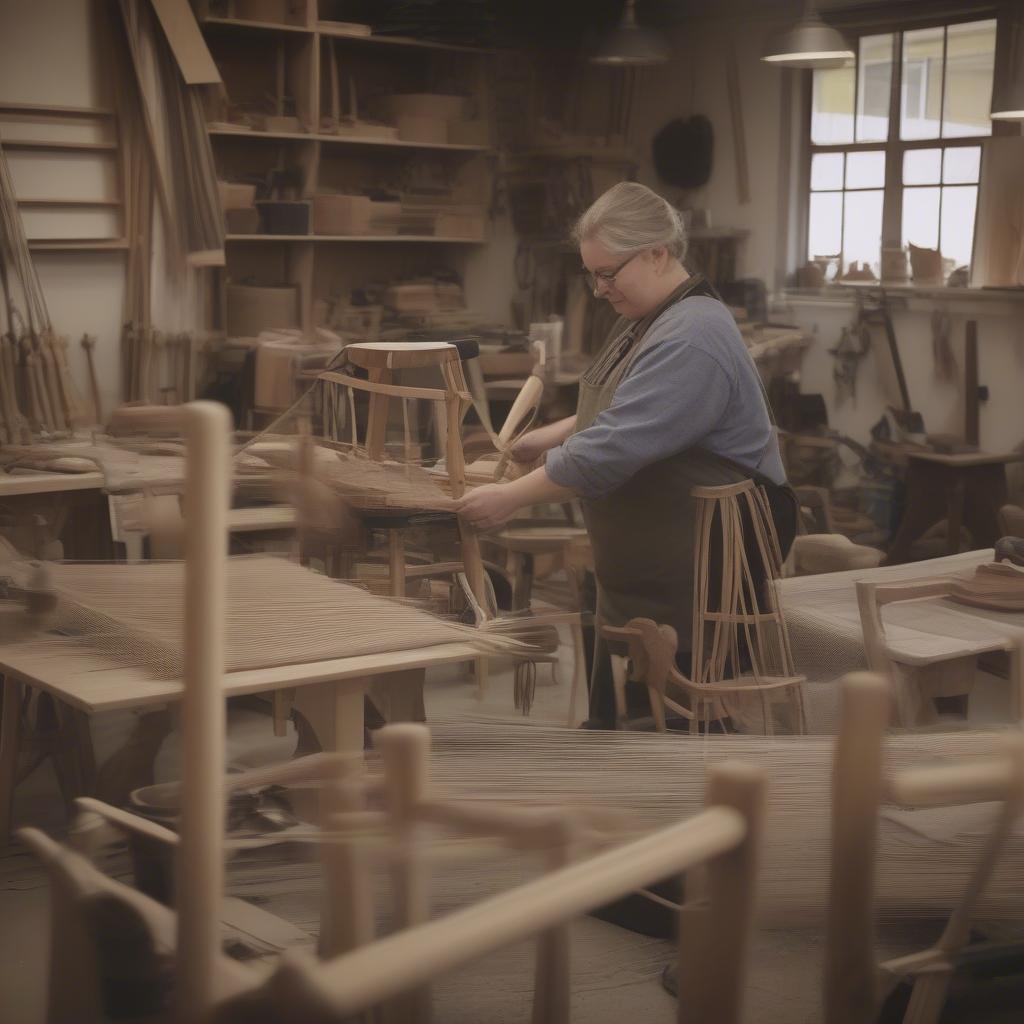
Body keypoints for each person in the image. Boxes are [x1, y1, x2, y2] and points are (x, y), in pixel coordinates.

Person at [457, 181, 797, 728]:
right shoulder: (650, 319)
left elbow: (614, 446)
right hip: (656, 549)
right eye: (592, 273)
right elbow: (627, 402)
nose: (597, 289)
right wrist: (553, 433)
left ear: (658, 253)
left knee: (683, 711)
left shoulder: (693, 334)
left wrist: (511, 499)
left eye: (608, 273)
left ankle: (691, 795)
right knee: (634, 699)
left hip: (710, 548)